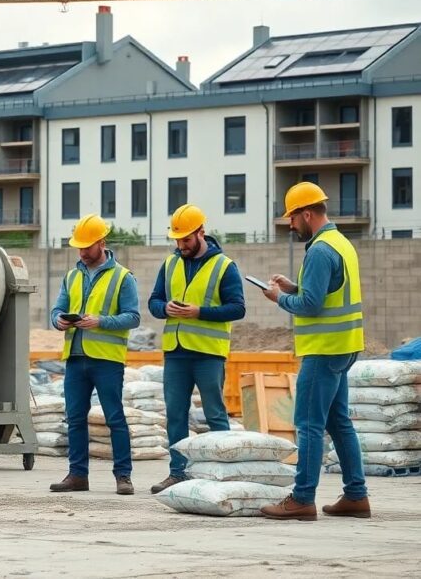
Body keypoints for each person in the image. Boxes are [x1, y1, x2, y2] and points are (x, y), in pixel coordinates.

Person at [258, 182, 369, 521]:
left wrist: (279, 297)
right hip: (345, 346)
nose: (290, 225)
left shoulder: (320, 250)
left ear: (307, 214)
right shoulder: (340, 243)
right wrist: (293, 286)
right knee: (338, 422)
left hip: (324, 349)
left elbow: (310, 304)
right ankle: (356, 495)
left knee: (307, 423)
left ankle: (302, 498)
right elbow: (326, 292)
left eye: (292, 218)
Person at [148, 204, 245, 494]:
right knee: (175, 414)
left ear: (201, 233)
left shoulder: (225, 266)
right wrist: (164, 308)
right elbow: (153, 302)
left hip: (208, 354)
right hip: (176, 352)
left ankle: (222, 474)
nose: (181, 245)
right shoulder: (170, 264)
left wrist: (199, 312)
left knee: (215, 414)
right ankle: (178, 472)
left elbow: (237, 308)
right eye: (177, 240)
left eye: (186, 239)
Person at [49, 214, 140, 496]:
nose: (82, 252)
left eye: (87, 246)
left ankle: (123, 476)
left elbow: (133, 317)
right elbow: (56, 310)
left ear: (102, 242)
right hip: (75, 357)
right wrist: (59, 320)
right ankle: (78, 475)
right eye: (79, 247)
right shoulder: (72, 276)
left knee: (115, 417)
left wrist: (101, 321)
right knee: (75, 418)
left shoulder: (123, 277)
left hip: (107, 360)